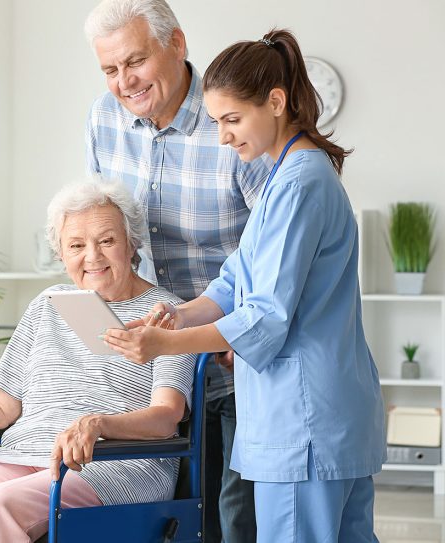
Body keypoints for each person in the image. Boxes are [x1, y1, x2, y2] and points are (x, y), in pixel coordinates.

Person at [103, 29, 386, 542]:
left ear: (275, 103)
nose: (225, 137)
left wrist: (166, 345)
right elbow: (233, 283)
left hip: (304, 422)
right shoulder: (286, 177)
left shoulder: (299, 183)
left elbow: (264, 316)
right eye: (215, 122)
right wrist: (176, 316)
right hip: (326, 417)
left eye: (232, 120)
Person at [0, 180, 195, 543]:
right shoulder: (49, 303)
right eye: (76, 245)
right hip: (23, 455)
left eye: (106, 241)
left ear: (132, 243)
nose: (92, 257)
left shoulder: (167, 314)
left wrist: (99, 425)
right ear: (61, 254)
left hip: (115, 464)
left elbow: (166, 416)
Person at [83, 1, 270, 540]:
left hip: (232, 355)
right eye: (110, 69)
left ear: (178, 45)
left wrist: (238, 327)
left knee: (234, 520)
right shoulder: (103, 118)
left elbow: (272, 242)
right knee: (166, 519)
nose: (124, 82)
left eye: (135, 62)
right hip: (151, 368)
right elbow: (110, 228)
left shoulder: (230, 121)